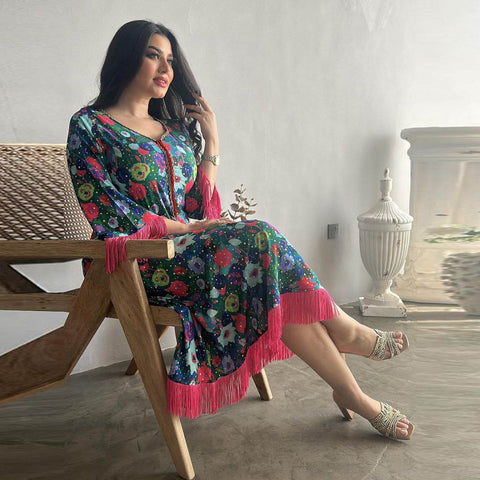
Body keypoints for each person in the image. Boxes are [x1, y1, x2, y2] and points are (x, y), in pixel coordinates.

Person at [66, 20, 414, 440]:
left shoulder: (171, 131)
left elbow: (198, 205)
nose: (166, 68)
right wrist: (188, 227)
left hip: (187, 252)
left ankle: (351, 390)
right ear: (126, 57)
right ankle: (346, 334)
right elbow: (108, 211)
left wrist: (212, 141)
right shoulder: (91, 126)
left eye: (170, 59)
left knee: (263, 266)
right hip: (136, 263)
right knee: (259, 240)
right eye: (153, 55)